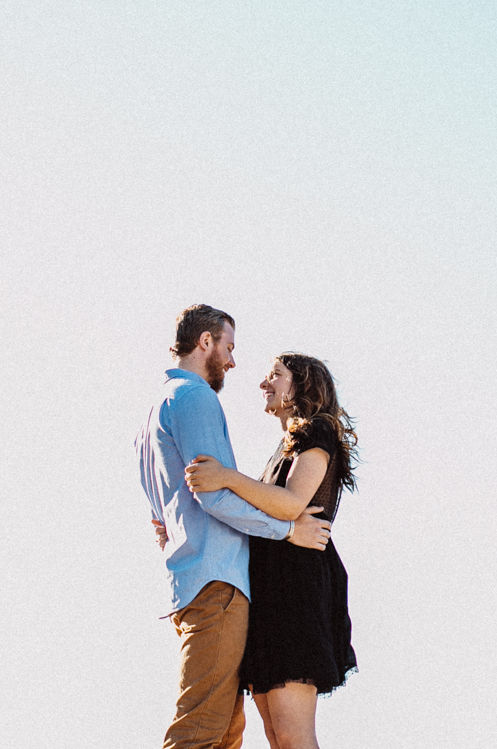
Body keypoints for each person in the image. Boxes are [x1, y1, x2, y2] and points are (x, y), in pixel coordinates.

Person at [136, 305, 333, 749]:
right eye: (228, 347)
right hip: (217, 580)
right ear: (205, 342)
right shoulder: (196, 398)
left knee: (226, 731)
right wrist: (286, 530)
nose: (232, 361)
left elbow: (159, 515)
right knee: (203, 727)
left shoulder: (153, 413)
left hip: (190, 582)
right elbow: (212, 491)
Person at [184, 352, 358, 749]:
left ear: (303, 385)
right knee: (277, 736)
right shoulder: (283, 447)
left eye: (276, 376)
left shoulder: (318, 431)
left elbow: (291, 503)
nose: (265, 384)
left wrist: (226, 477)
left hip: (297, 595)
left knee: (294, 736)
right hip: (269, 595)